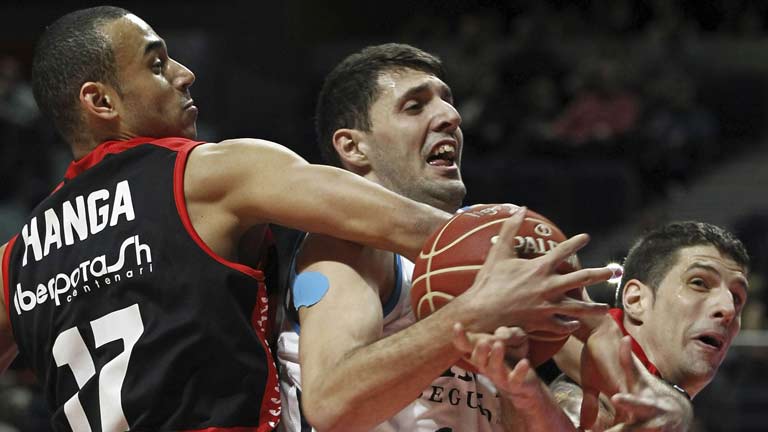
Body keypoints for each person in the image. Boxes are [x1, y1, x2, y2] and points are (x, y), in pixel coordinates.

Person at [0, 8, 482, 431]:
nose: (185, 74)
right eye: (157, 64)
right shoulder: (208, 172)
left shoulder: (14, 260)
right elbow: (424, 230)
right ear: (101, 102)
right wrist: (515, 250)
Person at [276, 43, 614, 432]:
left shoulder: (489, 239)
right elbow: (332, 406)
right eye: (414, 106)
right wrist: (471, 313)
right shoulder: (347, 244)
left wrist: (522, 385)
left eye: (447, 102)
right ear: (354, 147)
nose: (451, 117)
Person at [547, 221, 749, 430]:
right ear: (636, 300)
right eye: (699, 283)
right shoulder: (583, 407)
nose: (728, 309)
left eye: (736, 298)